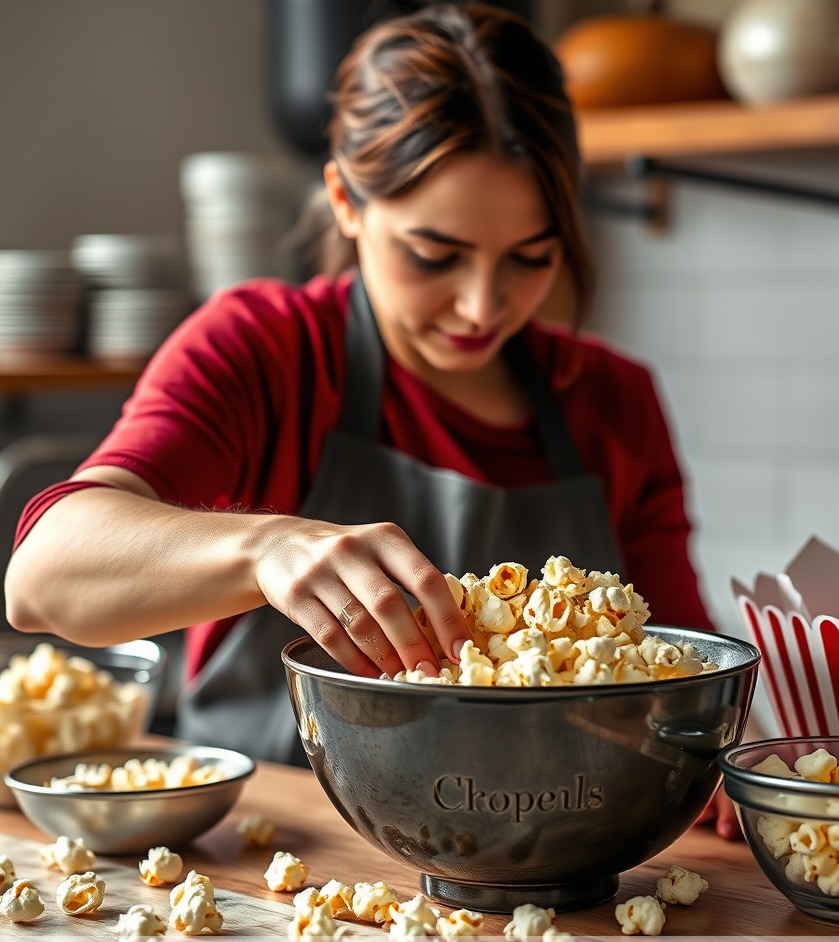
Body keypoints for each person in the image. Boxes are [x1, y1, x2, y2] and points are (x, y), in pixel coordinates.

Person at [4, 2, 741, 836]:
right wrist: (268, 547)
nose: (480, 304)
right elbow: (40, 579)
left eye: (530, 258)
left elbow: (685, 676)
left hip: (556, 859)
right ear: (347, 203)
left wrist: (716, 760)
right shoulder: (266, 351)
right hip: (278, 864)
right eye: (435, 254)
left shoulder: (613, 399)